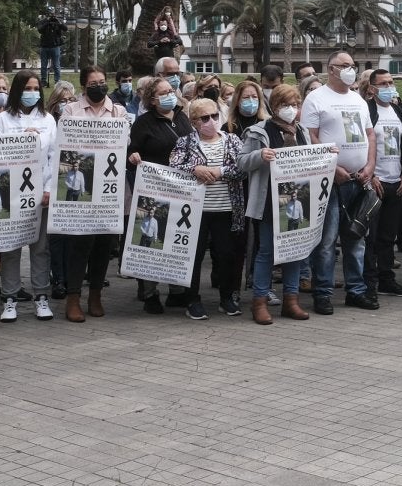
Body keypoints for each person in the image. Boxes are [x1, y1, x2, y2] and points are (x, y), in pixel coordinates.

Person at [300, 52, 376, 315]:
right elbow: (310, 136)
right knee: (327, 241)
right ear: (331, 69)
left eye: (353, 66)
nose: (350, 70)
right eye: (345, 66)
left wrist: (370, 166)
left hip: (358, 180)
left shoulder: (358, 99)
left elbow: (370, 135)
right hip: (330, 182)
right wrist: (332, 169)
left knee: (357, 238)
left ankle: (356, 290)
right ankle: (323, 292)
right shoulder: (316, 98)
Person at [240, 81, 316, 323]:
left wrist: (325, 156)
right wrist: (259, 155)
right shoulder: (259, 131)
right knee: (266, 252)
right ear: (274, 106)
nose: (291, 109)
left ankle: (291, 301)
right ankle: (259, 301)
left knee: (295, 251)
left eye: (295, 104)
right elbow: (241, 162)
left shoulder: (302, 131)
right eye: (285, 104)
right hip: (269, 202)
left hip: (298, 199)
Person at [58, 66, 130, 322]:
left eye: (101, 82)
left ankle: (96, 295)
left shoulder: (119, 111)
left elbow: (124, 142)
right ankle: (73, 297)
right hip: (83, 180)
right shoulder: (71, 110)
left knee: (104, 244)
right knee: (80, 244)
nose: (98, 86)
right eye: (92, 83)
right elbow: (65, 143)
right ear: (83, 86)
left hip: (110, 184)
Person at [0, 71, 57, 322]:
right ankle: (10, 298)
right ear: (17, 90)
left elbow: (53, 157)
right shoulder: (1, 121)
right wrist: (19, 139)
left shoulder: (48, 119)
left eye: (36, 88)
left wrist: (49, 189)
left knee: (40, 249)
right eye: (27, 88)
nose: (32, 93)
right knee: (10, 249)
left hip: (40, 193)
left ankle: (41, 296)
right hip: (12, 195)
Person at [170, 96, 245, 319]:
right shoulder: (185, 142)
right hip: (194, 211)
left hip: (226, 209)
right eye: (205, 118)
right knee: (193, 256)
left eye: (214, 116)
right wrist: (195, 169)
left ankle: (226, 298)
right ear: (194, 121)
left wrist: (220, 171)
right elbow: (173, 165)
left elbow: (242, 167)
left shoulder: (232, 140)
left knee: (226, 254)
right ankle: (192, 299)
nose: (211, 121)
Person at [127, 76, 192, 314]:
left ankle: (176, 290)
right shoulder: (143, 123)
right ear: (152, 100)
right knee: (151, 242)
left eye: (171, 90)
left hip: (182, 189)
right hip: (154, 188)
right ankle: (150, 293)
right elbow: (132, 150)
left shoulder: (183, 117)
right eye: (163, 92)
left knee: (175, 237)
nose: (169, 95)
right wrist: (133, 156)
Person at [363, 69, 402, 298]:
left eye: (391, 82)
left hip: (396, 182)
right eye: (383, 83)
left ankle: (386, 278)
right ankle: (369, 282)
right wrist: (370, 175)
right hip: (375, 183)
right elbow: (361, 144)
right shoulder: (367, 111)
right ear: (372, 88)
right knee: (370, 237)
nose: (389, 87)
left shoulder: (398, 110)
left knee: (388, 236)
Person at [38, 11, 66, 84]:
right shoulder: (43, 21)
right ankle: (43, 81)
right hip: (44, 46)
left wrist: (59, 22)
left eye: (53, 14)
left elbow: (65, 28)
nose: (52, 16)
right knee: (43, 65)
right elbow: (40, 30)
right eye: (50, 15)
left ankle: (57, 81)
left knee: (56, 65)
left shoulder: (58, 21)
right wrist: (47, 23)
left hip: (55, 46)